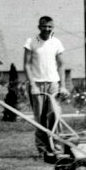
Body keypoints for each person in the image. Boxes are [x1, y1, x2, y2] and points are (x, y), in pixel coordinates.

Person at [23, 16, 68, 159]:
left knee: (55, 114)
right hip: (37, 84)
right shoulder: (31, 42)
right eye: (44, 26)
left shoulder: (56, 43)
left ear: (53, 27)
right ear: (39, 27)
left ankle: (57, 148)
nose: (47, 29)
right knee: (40, 119)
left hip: (53, 84)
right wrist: (33, 85)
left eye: (50, 27)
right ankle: (42, 150)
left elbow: (61, 65)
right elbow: (27, 65)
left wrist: (63, 86)